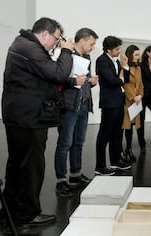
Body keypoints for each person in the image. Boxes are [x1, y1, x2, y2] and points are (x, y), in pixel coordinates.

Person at [0, 17, 84, 227]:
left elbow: (47, 75)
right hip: (29, 118)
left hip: (21, 116)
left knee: (17, 165)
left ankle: (9, 211)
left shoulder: (23, 44)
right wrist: (66, 51)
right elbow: (57, 73)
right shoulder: (30, 48)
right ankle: (26, 215)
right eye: (56, 39)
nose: (56, 43)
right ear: (45, 33)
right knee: (31, 167)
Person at [54, 28, 99, 197]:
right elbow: (57, 77)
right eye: (92, 43)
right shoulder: (66, 55)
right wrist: (75, 81)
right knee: (65, 143)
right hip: (69, 105)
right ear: (82, 41)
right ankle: (61, 180)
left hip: (84, 104)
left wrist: (91, 82)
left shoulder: (87, 57)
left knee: (78, 142)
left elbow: (83, 81)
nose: (93, 47)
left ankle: (75, 174)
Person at [95, 36, 131, 176]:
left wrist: (125, 66)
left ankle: (115, 160)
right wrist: (120, 77)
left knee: (117, 133)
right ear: (108, 49)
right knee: (104, 134)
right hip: (109, 103)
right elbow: (112, 81)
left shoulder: (116, 61)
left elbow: (125, 79)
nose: (119, 51)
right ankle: (100, 165)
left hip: (118, 101)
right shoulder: (102, 61)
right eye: (117, 49)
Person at [121, 45, 143, 162]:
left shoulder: (138, 68)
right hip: (127, 101)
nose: (138, 57)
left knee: (131, 127)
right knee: (125, 126)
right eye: (136, 55)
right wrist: (133, 96)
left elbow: (140, 84)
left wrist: (140, 95)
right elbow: (125, 84)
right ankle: (123, 152)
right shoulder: (124, 67)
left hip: (136, 101)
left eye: (138, 55)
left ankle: (128, 149)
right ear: (130, 55)